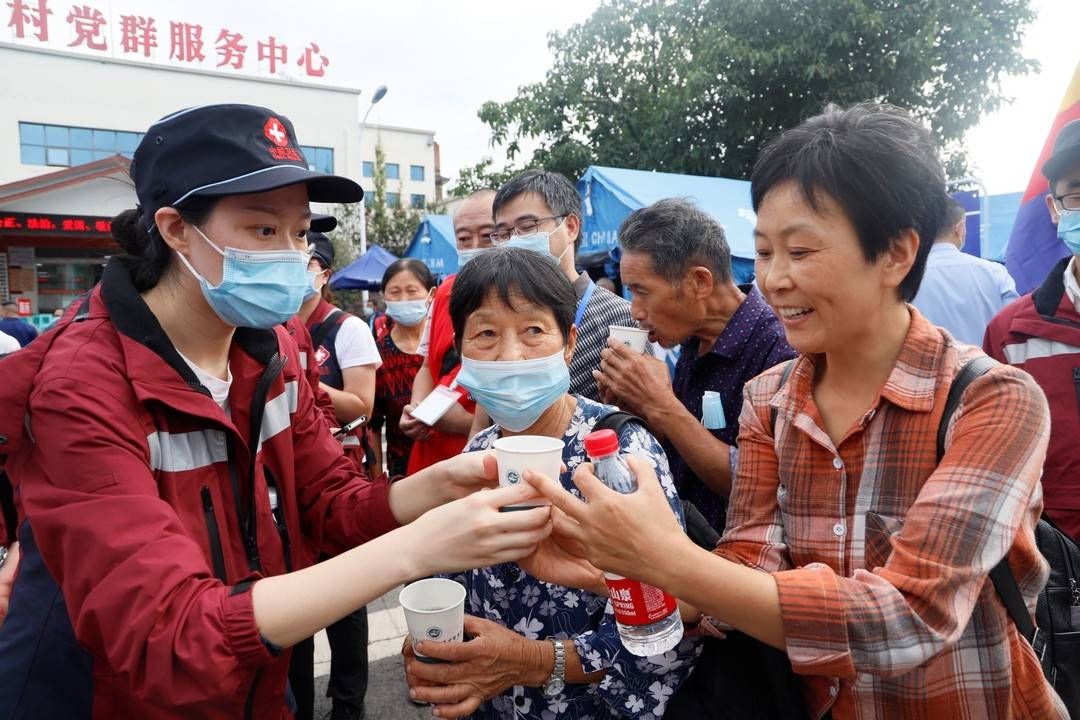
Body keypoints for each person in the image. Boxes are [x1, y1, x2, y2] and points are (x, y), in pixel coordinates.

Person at [0, 103, 554, 719]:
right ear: (176, 229)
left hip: (256, 687)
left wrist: (429, 489)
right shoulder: (82, 383)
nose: (291, 257)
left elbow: (329, 500)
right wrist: (418, 548)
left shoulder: (272, 348)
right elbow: (170, 634)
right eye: (264, 232)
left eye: (299, 233)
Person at [528, 103, 1067, 718]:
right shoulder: (770, 400)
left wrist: (663, 557)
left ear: (895, 253)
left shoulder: (991, 400)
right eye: (763, 252)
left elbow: (908, 618)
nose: (774, 280)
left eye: (800, 251)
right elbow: (745, 569)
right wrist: (612, 568)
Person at [402, 247, 699, 720]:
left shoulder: (618, 454)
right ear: (460, 351)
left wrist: (533, 661)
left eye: (533, 330)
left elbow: (670, 615)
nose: (511, 354)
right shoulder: (474, 456)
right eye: (485, 334)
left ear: (568, 343)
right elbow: (451, 582)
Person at [597, 198, 795, 532]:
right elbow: (682, 451)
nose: (635, 311)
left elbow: (758, 487)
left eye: (642, 291)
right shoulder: (692, 339)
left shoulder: (779, 350)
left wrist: (661, 405)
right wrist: (639, 409)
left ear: (699, 282)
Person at [984, 118, 1080, 542]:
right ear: (1054, 208)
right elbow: (994, 466)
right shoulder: (1010, 334)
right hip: (1057, 579)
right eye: (1077, 194)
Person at [489, 170, 637, 402]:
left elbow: (641, 416)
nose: (513, 241)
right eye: (503, 233)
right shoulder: (496, 310)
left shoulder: (620, 317)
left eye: (527, 227)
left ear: (570, 227)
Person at [401, 189, 495, 473]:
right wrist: (416, 407)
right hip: (430, 452)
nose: (474, 245)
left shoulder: (523, 298)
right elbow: (429, 367)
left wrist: (463, 423)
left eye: (487, 235)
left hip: (482, 460)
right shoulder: (445, 293)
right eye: (464, 238)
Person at [298, 231, 381, 468]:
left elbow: (363, 409)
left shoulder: (350, 329)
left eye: (306, 263)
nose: (294, 270)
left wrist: (302, 382)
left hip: (339, 462)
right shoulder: (267, 327)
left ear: (324, 276)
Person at [911, 196, 1019, 344]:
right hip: (989, 365)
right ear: (960, 229)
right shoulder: (995, 273)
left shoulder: (905, 278)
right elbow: (1015, 327)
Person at [371, 259, 435, 478]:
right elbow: (373, 425)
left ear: (430, 294)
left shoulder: (447, 345)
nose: (404, 299)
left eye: (412, 291)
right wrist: (376, 480)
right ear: (385, 297)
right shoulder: (377, 355)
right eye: (395, 292)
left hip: (453, 459)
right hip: (404, 471)